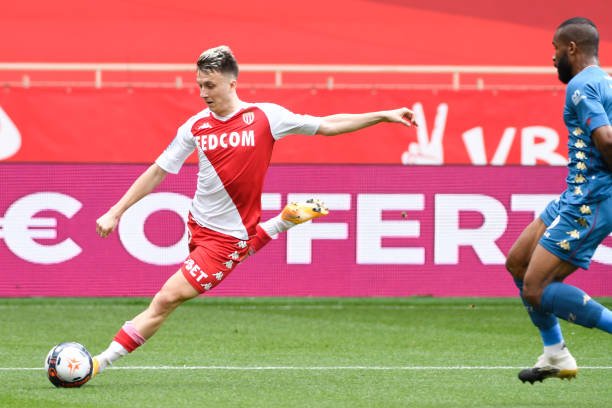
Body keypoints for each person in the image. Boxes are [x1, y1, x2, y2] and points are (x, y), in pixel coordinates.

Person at [91, 45, 418, 376]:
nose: (203, 93)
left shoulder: (266, 117)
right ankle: (282, 222)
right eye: (200, 85)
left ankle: (98, 363)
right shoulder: (195, 126)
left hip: (226, 240)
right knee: (228, 255)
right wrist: (116, 211)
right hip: (197, 225)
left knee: (166, 300)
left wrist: (383, 115)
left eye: (210, 85)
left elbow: (328, 125)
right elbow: (158, 171)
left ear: (232, 83)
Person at [505, 17, 612, 384]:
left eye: (555, 48)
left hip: (591, 199)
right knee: (518, 263)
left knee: (536, 288)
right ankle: (555, 354)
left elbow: (606, 141)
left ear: (572, 48)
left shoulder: (581, 85)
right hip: (575, 194)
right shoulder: (603, 81)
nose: (552, 57)